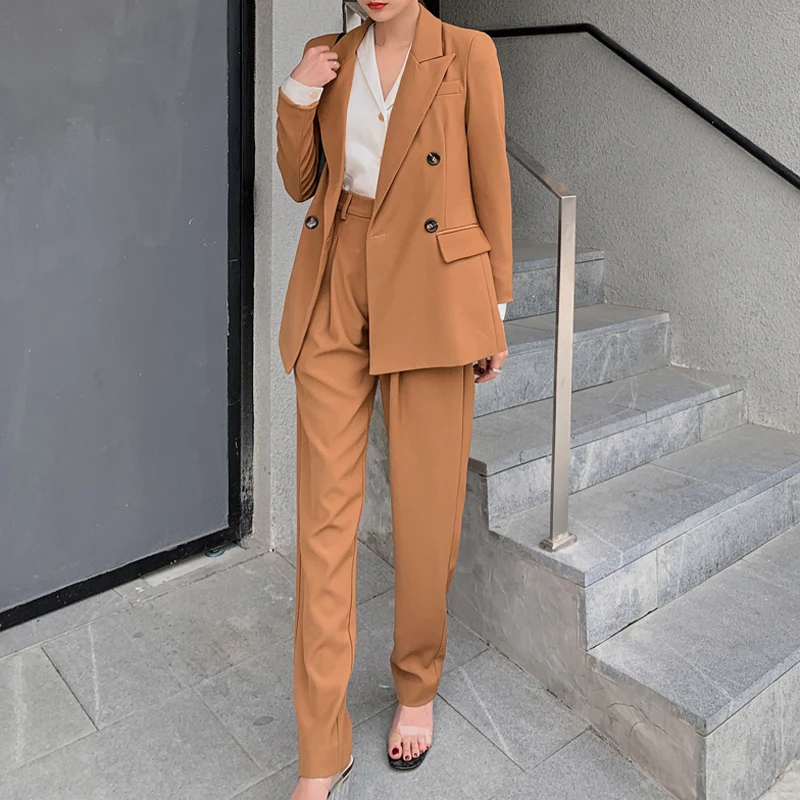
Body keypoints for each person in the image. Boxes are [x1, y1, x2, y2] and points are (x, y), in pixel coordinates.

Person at [275, 0, 512, 796]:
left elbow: (489, 180)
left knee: (426, 507)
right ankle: (321, 748)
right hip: (337, 283)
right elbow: (301, 183)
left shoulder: (469, 53)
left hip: (433, 288)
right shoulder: (328, 53)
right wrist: (298, 93)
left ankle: (416, 684)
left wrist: (493, 308)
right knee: (324, 522)